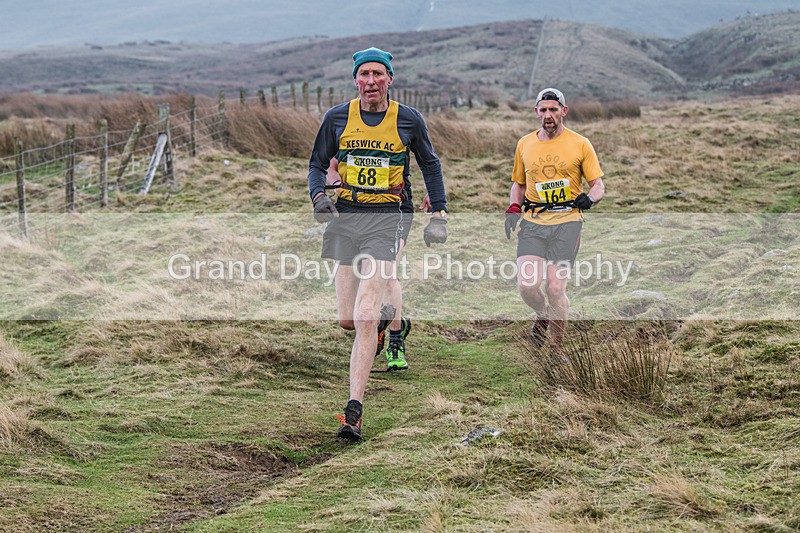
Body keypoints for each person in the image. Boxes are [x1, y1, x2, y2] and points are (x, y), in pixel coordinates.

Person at [308, 47, 448, 441]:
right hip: (347, 217)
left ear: (390, 78)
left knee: (365, 314)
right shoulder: (337, 118)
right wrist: (319, 196)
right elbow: (316, 164)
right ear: (355, 80)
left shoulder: (408, 119)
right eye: (364, 74)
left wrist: (439, 212)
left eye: (378, 74)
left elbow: (430, 164)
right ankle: (386, 322)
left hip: (390, 218)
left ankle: (353, 410)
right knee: (348, 320)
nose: (371, 81)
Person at [505, 88, 605, 355]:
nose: (548, 115)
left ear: (564, 111)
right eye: (543, 110)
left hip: (567, 222)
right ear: (536, 112)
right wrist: (514, 207)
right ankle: (543, 313)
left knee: (555, 286)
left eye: (553, 110)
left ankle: (556, 349)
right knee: (527, 286)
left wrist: (590, 199)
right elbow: (519, 183)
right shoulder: (524, 143)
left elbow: (598, 185)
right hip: (534, 222)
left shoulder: (580, 143)